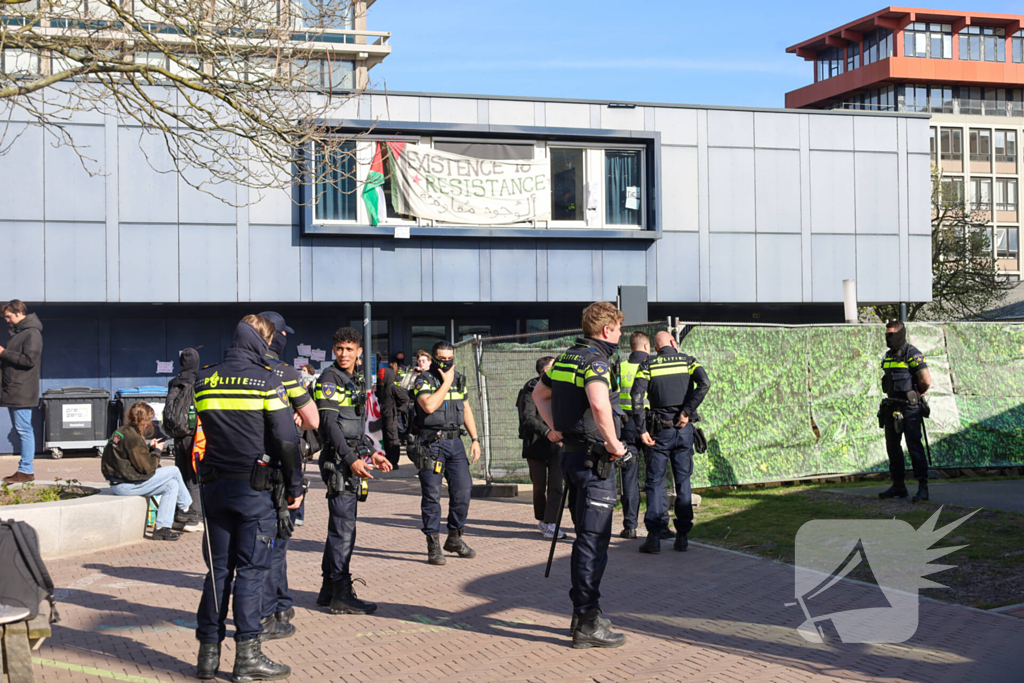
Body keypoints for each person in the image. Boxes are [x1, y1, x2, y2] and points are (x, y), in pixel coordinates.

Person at [193, 315, 303, 682]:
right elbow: (286, 439)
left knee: (217, 572)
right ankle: (248, 657)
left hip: (214, 488)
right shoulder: (267, 380)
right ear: (261, 341)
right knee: (252, 573)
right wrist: (295, 486)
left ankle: (207, 656)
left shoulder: (205, 379)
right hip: (254, 491)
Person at [532, 301, 628, 649]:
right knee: (593, 541)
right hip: (593, 461)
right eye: (619, 329)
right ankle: (587, 622)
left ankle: (584, 613)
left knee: (585, 538)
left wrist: (556, 428)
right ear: (607, 330)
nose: (620, 335)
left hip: (572, 457)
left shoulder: (565, 358)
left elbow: (539, 394)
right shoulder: (596, 362)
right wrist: (615, 444)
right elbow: (600, 404)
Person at [314, 326, 392, 614]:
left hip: (348, 459)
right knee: (344, 529)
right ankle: (341, 594)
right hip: (339, 462)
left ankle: (328, 590)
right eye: (339, 349)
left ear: (360, 352)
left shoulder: (354, 380)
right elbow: (329, 424)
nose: (343, 354)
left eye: (349, 349)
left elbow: (354, 427)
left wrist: (372, 453)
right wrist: (351, 459)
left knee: (341, 527)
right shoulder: (329, 379)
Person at [256, 311, 319, 641]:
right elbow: (312, 421)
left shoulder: (233, 371)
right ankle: (272, 611)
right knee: (274, 544)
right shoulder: (284, 372)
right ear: (276, 337)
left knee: (259, 545)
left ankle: (281, 603)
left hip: (245, 470)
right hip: (281, 469)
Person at [631, 331, 710, 554]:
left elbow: (636, 398)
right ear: (673, 343)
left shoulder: (648, 364)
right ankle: (682, 537)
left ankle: (654, 538)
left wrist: (641, 429)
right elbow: (704, 384)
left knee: (655, 482)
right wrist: (687, 411)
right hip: (684, 430)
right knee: (683, 481)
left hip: (658, 432)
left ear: (656, 349)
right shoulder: (689, 361)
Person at [411, 341, 482, 565]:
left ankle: (454, 538)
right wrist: (446, 382)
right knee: (432, 496)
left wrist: (475, 439)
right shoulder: (423, 380)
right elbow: (429, 406)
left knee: (463, 491)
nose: (447, 362)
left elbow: (466, 409)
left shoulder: (459, 379)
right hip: (431, 444)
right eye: (442, 359)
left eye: (450, 358)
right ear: (434, 358)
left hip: (455, 442)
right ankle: (433, 546)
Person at [101, 402, 197, 541]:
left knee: (172, 485)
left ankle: (162, 529)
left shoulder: (121, 431)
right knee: (174, 471)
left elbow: (132, 459)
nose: (150, 423)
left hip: (119, 481)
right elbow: (147, 468)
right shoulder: (134, 438)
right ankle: (186, 508)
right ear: (144, 421)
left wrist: (149, 449)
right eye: (149, 420)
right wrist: (157, 450)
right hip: (126, 484)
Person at [878, 320, 933, 502]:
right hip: (891, 406)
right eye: (886, 335)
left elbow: (925, 380)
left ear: (901, 334)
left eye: (891, 335)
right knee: (892, 447)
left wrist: (916, 395)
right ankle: (898, 486)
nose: (888, 338)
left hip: (909, 407)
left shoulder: (912, 353)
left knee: (914, 446)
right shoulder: (888, 355)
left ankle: (923, 487)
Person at [518, 356, 565, 539]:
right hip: (535, 445)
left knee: (556, 485)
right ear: (546, 371)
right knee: (539, 487)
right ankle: (542, 519)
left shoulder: (560, 387)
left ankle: (551, 523)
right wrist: (547, 432)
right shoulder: (530, 388)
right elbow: (528, 418)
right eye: (555, 367)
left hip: (557, 445)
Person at [1, 300, 43, 484]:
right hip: (15, 389)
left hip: (21, 390)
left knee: (24, 429)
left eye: (9, 316)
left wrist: (3, 353)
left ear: (19, 313)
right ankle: (25, 470)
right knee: (23, 429)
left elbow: (29, 360)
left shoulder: (32, 333)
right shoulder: (20, 334)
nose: (7, 320)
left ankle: (26, 470)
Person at [616, 331, 650, 540]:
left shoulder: (620, 367)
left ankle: (630, 527)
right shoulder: (653, 365)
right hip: (650, 424)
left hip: (626, 425)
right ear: (646, 346)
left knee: (629, 476)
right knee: (654, 476)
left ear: (631, 347)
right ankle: (658, 526)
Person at [166, 348, 203, 526]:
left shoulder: (173, 382)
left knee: (180, 473)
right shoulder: (199, 381)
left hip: (177, 433)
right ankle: (195, 512)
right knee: (193, 473)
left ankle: (182, 510)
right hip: (194, 434)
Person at [377, 362, 410, 470]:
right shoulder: (382, 388)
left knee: (392, 439)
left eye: (382, 378)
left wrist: (397, 410)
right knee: (386, 439)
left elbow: (405, 399)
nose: (380, 380)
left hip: (391, 417)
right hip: (384, 416)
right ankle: (388, 459)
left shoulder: (393, 387)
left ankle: (394, 461)